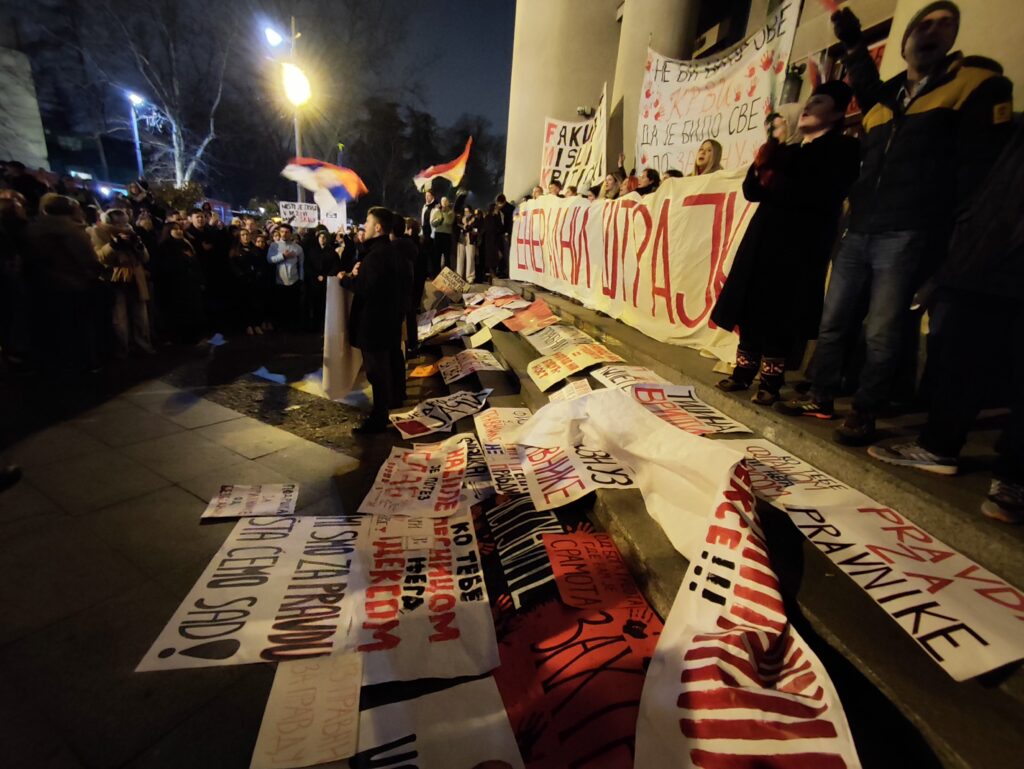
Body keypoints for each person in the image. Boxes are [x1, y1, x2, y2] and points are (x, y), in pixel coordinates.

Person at [777, 2, 1014, 444]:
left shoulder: (969, 89)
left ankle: (865, 411)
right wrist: (850, 40)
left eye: (946, 26)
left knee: (882, 328)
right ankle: (822, 394)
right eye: (925, 24)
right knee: (835, 319)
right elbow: (864, 79)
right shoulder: (886, 98)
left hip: (907, 230)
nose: (934, 32)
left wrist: (950, 231)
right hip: (861, 226)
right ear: (905, 42)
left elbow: (977, 167)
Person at [868, 121, 1024, 523]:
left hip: (994, 252)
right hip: (988, 255)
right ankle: (940, 443)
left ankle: (1015, 476)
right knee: (963, 354)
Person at [712, 84, 860, 405]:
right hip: (764, 238)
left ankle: (771, 380)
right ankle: (743, 372)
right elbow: (753, 191)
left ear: (837, 113)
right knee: (752, 304)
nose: (808, 107)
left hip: (799, 244)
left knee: (781, 310)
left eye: (818, 102)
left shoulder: (842, 149)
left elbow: (817, 191)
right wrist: (768, 156)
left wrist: (780, 164)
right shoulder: (787, 151)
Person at [339, 207, 404, 433]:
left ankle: (378, 418)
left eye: (367, 222)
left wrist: (345, 280)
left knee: (376, 372)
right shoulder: (384, 251)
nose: (363, 226)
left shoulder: (377, 255)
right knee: (380, 371)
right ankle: (382, 411)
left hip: (374, 324)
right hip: (382, 322)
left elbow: (366, 288)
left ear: (378, 228)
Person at [22, 194, 102, 373]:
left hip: (43, 286)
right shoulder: (73, 231)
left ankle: (58, 364)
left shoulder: (31, 230)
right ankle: (85, 363)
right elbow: (87, 259)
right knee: (79, 327)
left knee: (54, 328)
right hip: (74, 284)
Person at [91, 208, 155, 356]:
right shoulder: (98, 232)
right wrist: (114, 244)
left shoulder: (132, 233)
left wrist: (138, 246)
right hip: (115, 279)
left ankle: (143, 345)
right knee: (119, 318)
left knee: (140, 315)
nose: (123, 226)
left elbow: (145, 258)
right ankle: (122, 349)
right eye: (119, 223)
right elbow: (100, 257)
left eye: (125, 222)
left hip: (135, 278)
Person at [153, 218, 206, 343]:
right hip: (175, 286)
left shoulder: (186, 244)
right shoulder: (164, 247)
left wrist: (200, 280)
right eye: (175, 229)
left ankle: (193, 336)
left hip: (190, 284)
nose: (179, 231)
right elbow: (163, 267)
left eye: (180, 229)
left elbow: (196, 263)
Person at [229, 227, 267, 335]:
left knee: (256, 303)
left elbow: (261, 263)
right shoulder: (235, 251)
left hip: (255, 281)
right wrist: (242, 275)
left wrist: (259, 273)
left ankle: (256, 324)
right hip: (243, 282)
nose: (246, 237)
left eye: (247, 234)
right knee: (245, 304)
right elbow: (233, 266)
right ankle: (248, 325)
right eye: (243, 235)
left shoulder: (255, 249)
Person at [267, 222, 304, 330]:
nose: (284, 234)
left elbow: (301, 264)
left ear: (291, 234)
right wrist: (283, 256)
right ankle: (281, 326)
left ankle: (293, 326)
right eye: (282, 231)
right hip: (280, 281)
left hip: (294, 280)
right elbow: (269, 260)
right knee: (281, 305)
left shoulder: (297, 248)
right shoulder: (274, 246)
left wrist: (301, 279)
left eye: (287, 232)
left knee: (293, 306)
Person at [304, 229, 340, 331]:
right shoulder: (312, 251)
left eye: (324, 237)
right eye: (320, 237)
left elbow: (335, 266)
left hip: (327, 282)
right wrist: (316, 276)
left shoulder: (332, 251)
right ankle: (315, 324)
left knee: (326, 304)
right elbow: (308, 266)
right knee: (315, 303)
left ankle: (325, 326)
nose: (322, 239)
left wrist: (325, 276)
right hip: (314, 282)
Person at [429, 196, 455, 271]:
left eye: (445, 201)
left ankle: (447, 274)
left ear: (448, 202)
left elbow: (448, 222)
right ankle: (436, 274)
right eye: (442, 201)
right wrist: (440, 217)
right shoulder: (437, 211)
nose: (444, 203)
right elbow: (433, 223)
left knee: (447, 257)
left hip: (446, 235)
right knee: (437, 256)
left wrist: (442, 215)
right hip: (438, 234)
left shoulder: (451, 212)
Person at [456, 207, 478, 283]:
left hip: (470, 239)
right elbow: (457, 226)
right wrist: (463, 226)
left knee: (470, 258)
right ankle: (459, 276)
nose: (466, 213)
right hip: (461, 239)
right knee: (460, 258)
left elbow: (476, 229)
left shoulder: (474, 219)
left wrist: (469, 227)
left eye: (467, 211)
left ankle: (470, 277)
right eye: (465, 211)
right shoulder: (461, 218)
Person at [420, 189, 439, 277]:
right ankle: (426, 272)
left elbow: (436, 221)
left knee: (433, 254)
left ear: (432, 197)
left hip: (432, 233)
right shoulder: (425, 206)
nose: (426, 197)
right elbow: (423, 220)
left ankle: (433, 273)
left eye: (428, 196)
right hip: (425, 232)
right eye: (426, 196)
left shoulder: (436, 207)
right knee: (425, 253)